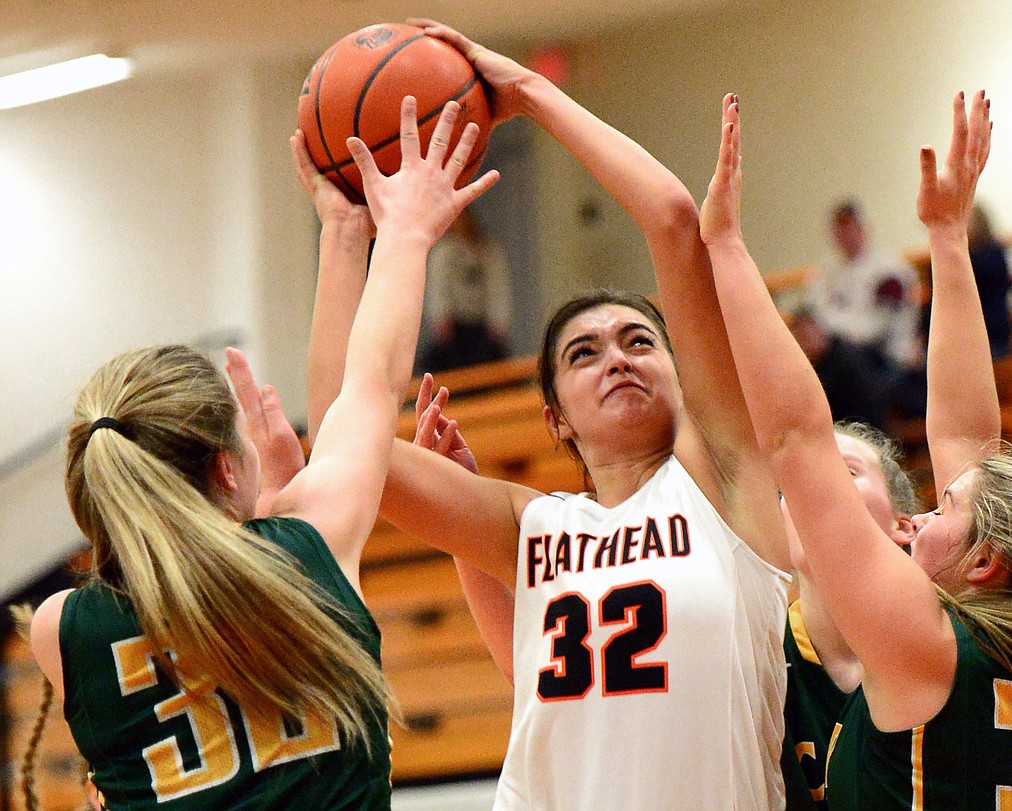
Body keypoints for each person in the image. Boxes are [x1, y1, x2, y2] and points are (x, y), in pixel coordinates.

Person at [305, 19, 793, 810]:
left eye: (639, 340)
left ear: (681, 374)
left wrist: (530, 94)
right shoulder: (531, 526)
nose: (618, 357)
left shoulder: (726, 486)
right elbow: (338, 433)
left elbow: (673, 221)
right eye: (583, 353)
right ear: (556, 418)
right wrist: (344, 233)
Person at [25, 98, 497, 810]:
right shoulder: (308, 546)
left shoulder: (59, 628)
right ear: (224, 466)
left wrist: (345, 232)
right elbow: (367, 384)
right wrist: (401, 234)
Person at [703, 90, 1012, 808]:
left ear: (986, 561)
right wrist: (947, 240)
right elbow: (963, 437)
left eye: (943, 505)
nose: (920, 513)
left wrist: (728, 252)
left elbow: (797, 439)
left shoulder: (928, 644)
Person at [805, 198, 923, 418]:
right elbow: (815, 314)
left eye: (850, 228)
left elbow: (876, 330)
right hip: (844, 355)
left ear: (863, 228)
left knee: (845, 369)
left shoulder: (890, 272)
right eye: (840, 230)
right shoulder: (825, 274)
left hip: (887, 360)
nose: (845, 236)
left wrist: (836, 327)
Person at [420, 208, 513, 372]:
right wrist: (441, 318)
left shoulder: (488, 251)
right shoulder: (443, 253)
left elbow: (497, 288)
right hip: (455, 325)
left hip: (481, 324)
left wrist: (499, 320)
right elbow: (438, 287)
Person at [968, 202, 1012, 358]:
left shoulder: (992, 254)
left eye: (969, 221)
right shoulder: (968, 256)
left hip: (992, 331)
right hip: (970, 331)